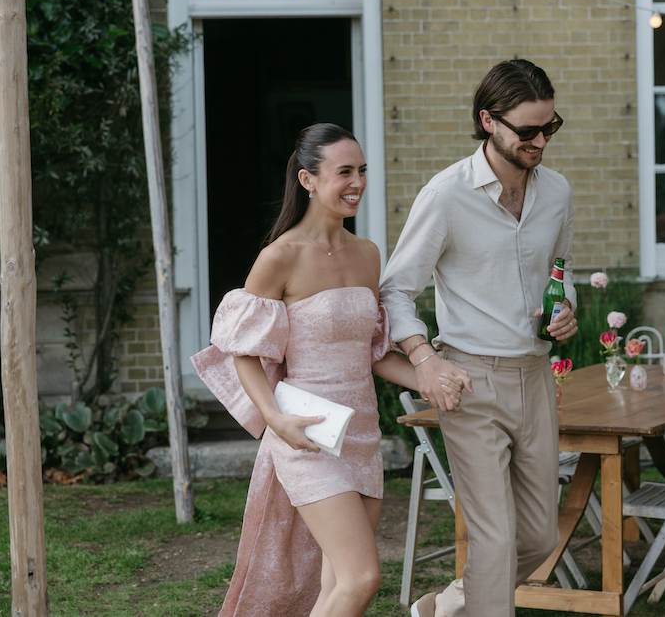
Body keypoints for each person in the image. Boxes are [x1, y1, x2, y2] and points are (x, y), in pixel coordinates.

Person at [191, 123, 470, 617]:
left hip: (360, 432)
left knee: (336, 584)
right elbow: (242, 352)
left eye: (362, 170)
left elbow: (373, 353)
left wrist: (429, 376)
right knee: (362, 578)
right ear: (307, 180)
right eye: (344, 172)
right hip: (307, 435)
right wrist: (275, 421)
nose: (357, 182)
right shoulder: (279, 257)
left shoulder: (367, 255)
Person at [379, 60, 579, 617]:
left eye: (550, 127)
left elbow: (562, 271)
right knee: (494, 540)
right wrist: (423, 358)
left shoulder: (557, 193)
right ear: (488, 121)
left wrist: (566, 310)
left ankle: (445, 608)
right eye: (528, 131)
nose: (541, 140)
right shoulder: (446, 195)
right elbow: (395, 290)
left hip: (536, 377)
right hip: (469, 379)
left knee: (538, 537)